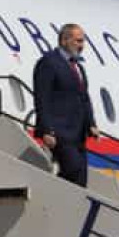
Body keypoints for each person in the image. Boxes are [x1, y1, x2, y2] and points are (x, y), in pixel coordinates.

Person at [33, 23, 99, 187]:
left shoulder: (78, 68)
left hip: (77, 134)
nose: (82, 46)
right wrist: (47, 130)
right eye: (78, 41)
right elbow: (42, 98)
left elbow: (84, 99)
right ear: (64, 40)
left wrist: (91, 124)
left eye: (82, 41)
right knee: (72, 168)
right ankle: (51, 191)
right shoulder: (49, 63)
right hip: (59, 132)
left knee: (81, 179)